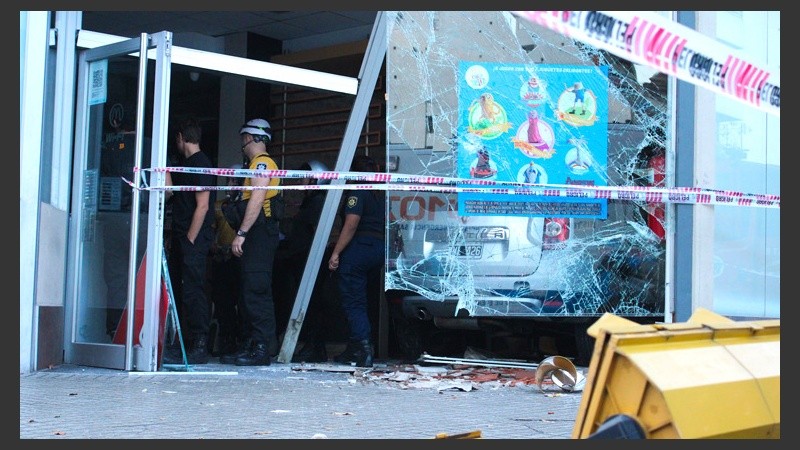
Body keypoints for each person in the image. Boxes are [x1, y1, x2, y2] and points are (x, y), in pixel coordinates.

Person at [219, 118, 282, 366]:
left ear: (254, 138)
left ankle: (261, 348)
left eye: (244, 137)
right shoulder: (256, 164)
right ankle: (255, 343)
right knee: (251, 290)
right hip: (258, 233)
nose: (242, 143)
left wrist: (242, 232)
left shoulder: (263, 163)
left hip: (259, 233)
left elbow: (257, 198)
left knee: (256, 291)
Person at [162, 117, 217, 364]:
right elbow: (173, 194)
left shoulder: (201, 164)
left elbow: (203, 206)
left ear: (181, 138)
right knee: (181, 291)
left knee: (194, 291)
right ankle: (182, 343)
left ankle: (199, 343)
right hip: (182, 238)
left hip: (192, 239)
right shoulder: (186, 165)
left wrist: (190, 239)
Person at [328, 155, 386, 367]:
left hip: (359, 249)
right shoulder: (380, 193)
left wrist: (336, 252)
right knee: (361, 300)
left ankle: (363, 349)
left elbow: (351, 224)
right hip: (378, 249)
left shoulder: (358, 191)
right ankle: (354, 348)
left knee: (354, 302)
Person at [274, 160, 333, 363]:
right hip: (301, 259)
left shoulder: (318, 202)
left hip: (311, 261)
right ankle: (312, 346)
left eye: (306, 176)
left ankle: (315, 347)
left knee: (314, 305)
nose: (301, 180)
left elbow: (318, 232)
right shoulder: (310, 202)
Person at [208, 164, 245, 357]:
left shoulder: (247, 204)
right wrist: (214, 247)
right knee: (223, 303)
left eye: (234, 181)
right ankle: (227, 341)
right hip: (222, 258)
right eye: (228, 180)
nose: (230, 184)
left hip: (241, 258)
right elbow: (212, 231)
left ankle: (243, 340)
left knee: (244, 302)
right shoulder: (218, 205)